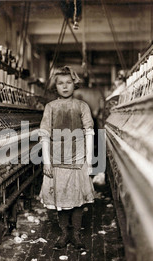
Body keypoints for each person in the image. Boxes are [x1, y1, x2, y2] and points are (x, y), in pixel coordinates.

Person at [38, 66, 95, 250]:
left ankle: (76, 235)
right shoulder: (50, 107)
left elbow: (89, 133)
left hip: (78, 161)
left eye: (68, 83)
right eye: (60, 83)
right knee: (60, 201)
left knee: (78, 199)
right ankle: (64, 234)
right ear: (55, 86)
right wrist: (46, 160)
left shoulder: (82, 106)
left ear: (74, 84)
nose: (65, 87)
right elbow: (44, 135)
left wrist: (89, 160)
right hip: (57, 161)